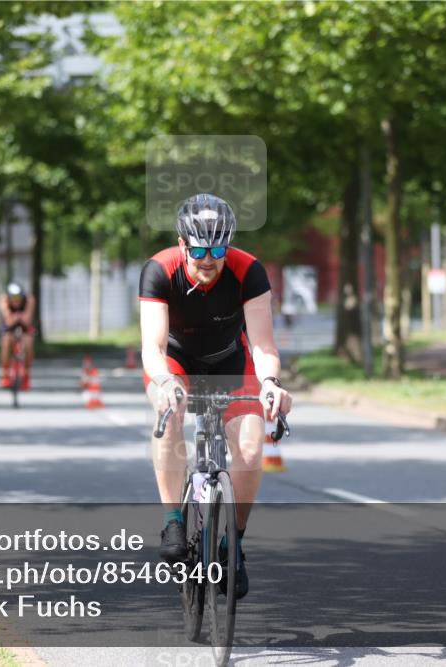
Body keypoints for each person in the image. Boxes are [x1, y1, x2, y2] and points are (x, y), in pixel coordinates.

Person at [139, 193, 293, 599]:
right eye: (200, 249)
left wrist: (271, 385)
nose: (209, 259)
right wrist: (165, 383)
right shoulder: (160, 269)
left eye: (219, 249)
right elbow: (152, 348)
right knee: (169, 411)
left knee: (251, 442)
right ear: (182, 242)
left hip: (229, 361)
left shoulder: (249, 272)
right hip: (175, 362)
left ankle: (233, 545)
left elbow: (262, 345)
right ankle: (174, 520)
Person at [0, 282, 36, 389]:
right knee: (6, 341)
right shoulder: (4, 300)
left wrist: (17, 317)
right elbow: (8, 321)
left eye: (18, 298)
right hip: (9, 327)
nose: (16, 301)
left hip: (24, 327)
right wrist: (17, 317)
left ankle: (26, 375)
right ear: (9, 297)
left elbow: (27, 320)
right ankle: (5, 374)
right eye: (13, 298)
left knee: (28, 343)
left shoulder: (29, 300)